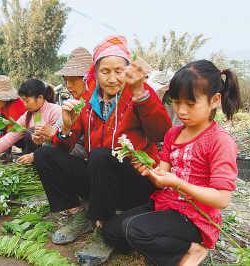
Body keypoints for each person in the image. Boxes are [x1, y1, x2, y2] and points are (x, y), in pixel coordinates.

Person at [33, 35, 171, 265]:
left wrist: (141, 96)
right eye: (105, 71)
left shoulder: (138, 94)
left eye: (119, 71)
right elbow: (65, 145)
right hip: (100, 179)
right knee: (45, 154)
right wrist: (66, 127)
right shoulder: (87, 101)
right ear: (95, 73)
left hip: (134, 179)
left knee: (100, 156)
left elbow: (161, 134)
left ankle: (105, 230)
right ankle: (80, 215)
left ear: (127, 72)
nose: (112, 78)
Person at [102, 60, 241, 266]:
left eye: (190, 104)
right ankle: (162, 244)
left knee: (134, 229)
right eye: (176, 102)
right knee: (111, 232)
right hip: (166, 204)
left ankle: (192, 250)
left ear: (214, 100)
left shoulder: (220, 141)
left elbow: (221, 199)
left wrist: (179, 184)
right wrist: (150, 171)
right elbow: (161, 180)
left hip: (195, 218)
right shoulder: (173, 134)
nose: (181, 111)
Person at [0, 79, 61, 165]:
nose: (24, 104)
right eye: (23, 101)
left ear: (40, 98)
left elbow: (62, 143)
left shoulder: (56, 112)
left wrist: (34, 156)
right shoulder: (29, 115)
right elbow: (9, 138)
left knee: (31, 132)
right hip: (39, 157)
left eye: (27, 101)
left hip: (54, 160)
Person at [32, 47, 93, 160]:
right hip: (72, 146)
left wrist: (53, 134)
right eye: (66, 81)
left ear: (88, 79)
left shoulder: (92, 102)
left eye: (73, 80)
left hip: (87, 154)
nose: (68, 86)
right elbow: (60, 127)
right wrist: (45, 136)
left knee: (46, 151)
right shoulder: (75, 102)